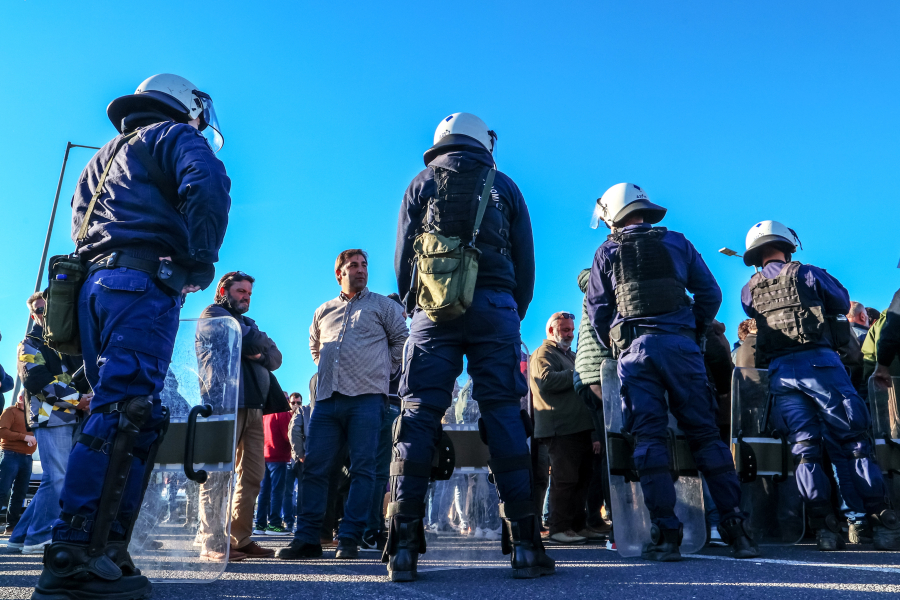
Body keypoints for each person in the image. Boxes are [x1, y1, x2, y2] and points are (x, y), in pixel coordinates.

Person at [33, 73, 230, 600]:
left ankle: (107, 548)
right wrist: (201, 258)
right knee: (124, 413)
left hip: (95, 290)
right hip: (141, 284)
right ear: (186, 106)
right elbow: (207, 183)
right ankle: (76, 554)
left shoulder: (101, 158)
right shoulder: (171, 136)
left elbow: (82, 228)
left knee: (125, 413)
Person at [384, 112, 552, 582]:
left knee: (417, 414)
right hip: (496, 305)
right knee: (503, 414)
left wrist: (412, 302)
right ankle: (525, 547)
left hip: (432, 309)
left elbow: (402, 258)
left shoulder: (421, 181)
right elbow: (526, 259)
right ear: (484, 141)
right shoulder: (506, 185)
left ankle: (403, 549)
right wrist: (510, 309)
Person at [587, 182, 757, 561]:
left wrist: (618, 345)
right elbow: (711, 294)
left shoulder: (607, 251)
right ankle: (738, 531)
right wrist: (691, 330)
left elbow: (597, 310)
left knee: (648, 441)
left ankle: (666, 536)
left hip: (636, 353)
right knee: (706, 437)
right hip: (681, 348)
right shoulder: (678, 241)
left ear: (613, 213)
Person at [742, 220, 899, 551]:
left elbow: (751, 311)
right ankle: (882, 523)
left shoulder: (749, 287)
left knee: (806, 452)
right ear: (788, 245)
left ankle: (825, 529)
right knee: (855, 443)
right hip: (821, 365)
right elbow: (841, 302)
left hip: (781, 373)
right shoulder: (807, 273)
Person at [278, 249, 408, 561]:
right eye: (353, 265)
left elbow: (403, 342)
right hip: (326, 402)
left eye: (364, 265)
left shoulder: (383, 306)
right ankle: (307, 538)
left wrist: (381, 371)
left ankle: (350, 538)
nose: (361, 270)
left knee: (364, 469)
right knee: (316, 470)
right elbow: (315, 347)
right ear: (340, 273)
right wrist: (331, 373)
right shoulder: (324, 310)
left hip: (367, 399)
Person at [198, 271, 282, 560]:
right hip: (222, 404)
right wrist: (256, 344)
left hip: (254, 407)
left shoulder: (247, 323)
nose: (245, 296)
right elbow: (251, 343)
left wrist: (257, 350)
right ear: (224, 290)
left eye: (248, 292)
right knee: (217, 475)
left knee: (253, 476)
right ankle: (211, 543)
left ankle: (239, 538)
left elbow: (275, 357)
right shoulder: (213, 315)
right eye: (240, 291)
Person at [8, 293, 90, 555]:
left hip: (70, 416)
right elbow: (37, 381)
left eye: (50, 308)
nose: (46, 313)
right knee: (57, 478)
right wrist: (78, 400)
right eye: (41, 310)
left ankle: (20, 536)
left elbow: (82, 376)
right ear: (34, 315)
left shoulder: (66, 342)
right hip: (51, 418)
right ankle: (38, 538)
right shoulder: (28, 345)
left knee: (55, 479)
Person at [530, 312, 600, 545]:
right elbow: (546, 380)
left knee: (582, 479)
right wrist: (581, 372)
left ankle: (578, 525)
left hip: (578, 427)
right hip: (559, 427)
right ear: (551, 331)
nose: (570, 334)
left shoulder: (570, 355)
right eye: (565, 330)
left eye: (571, 330)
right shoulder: (543, 353)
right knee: (565, 479)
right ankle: (558, 528)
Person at [361, 293, 406, 553]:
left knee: (386, 472)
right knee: (377, 471)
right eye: (400, 315)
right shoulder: (381, 340)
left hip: (397, 407)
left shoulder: (405, 340)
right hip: (382, 405)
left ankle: (374, 527)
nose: (404, 319)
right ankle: (370, 529)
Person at [572, 268, 614, 540]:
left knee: (611, 453)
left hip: (589, 373)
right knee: (616, 452)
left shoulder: (593, 286)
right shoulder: (608, 285)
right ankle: (618, 519)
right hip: (603, 371)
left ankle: (611, 517)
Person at [254, 395, 293, 536]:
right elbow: (288, 436)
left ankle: (260, 524)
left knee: (264, 492)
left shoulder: (265, 414)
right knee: (277, 491)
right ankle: (274, 524)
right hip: (279, 457)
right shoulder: (283, 414)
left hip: (263, 456)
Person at [0, 391, 36, 536]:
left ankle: (11, 528)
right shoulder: (10, 412)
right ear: (21, 398)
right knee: (2, 490)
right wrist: (24, 437)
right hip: (10, 455)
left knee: (20, 493)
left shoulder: (34, 415)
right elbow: (1, 431)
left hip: (27, 458)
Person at [285, 392, 306, 533]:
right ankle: (289, 522)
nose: (296, 405)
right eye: (293, 403)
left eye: (298, 402)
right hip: (287, 459)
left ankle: (301, 522)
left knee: (302, 492)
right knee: (288, 492)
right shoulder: (284, 416)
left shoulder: (305, 415)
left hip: (299, 459)